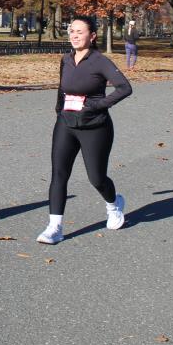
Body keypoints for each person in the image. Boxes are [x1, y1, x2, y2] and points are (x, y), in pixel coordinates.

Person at [37, 16, 132, 245]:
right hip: (66, 123)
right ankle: (54, 227)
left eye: (80, 32)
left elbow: (124, 88)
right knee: (59, 174)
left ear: (92, 36)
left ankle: (113, 205)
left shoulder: (100, 61)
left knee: (96, 178)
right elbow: (62, 88)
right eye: (72, 31)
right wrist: (59, 110)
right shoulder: (66, 59)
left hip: (95, 126)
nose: (74, 35)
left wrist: (96, 106)